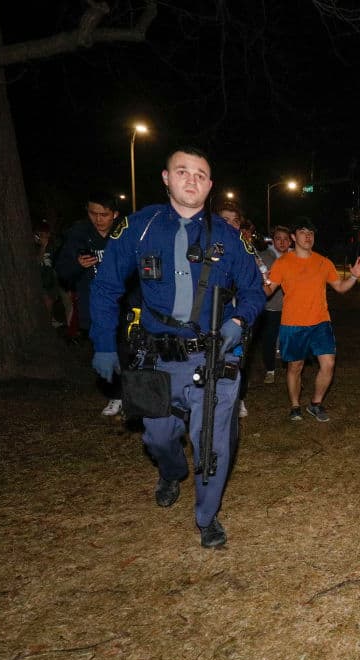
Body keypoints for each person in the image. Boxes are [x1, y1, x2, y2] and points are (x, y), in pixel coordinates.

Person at [89, 145, 265, 548]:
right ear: (166, 178)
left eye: (200, 174)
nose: (191, 180)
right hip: (157, 359)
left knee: (212, 442)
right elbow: (105, 287)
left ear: (210, 185)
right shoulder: (140, 227)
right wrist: (103, 343)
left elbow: (254, 290)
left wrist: (238, 321)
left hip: (214, 356)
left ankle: (207, 517)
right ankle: (170, 472)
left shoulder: (229, 237)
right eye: (182, 171)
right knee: (157, 437)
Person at [266, 217, 360, 422]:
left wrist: (354, 277)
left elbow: (340, 288)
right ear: (293, 237)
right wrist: (259, 282)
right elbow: (268, 291)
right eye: (303, 232)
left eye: (311, 233)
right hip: (293, 323)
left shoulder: (323, 262)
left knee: (329, 363)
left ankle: (315, 403)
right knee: (295, 367)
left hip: (320, 322)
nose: (308, 236)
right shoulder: (282, 263)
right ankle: (295, 405)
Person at [55, 192, 126, 416]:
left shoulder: (125, 234)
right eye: (93, 213)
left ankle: (133, 394)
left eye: (104, 214)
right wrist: (77, 264)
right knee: (104, 350)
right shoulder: (78, 235)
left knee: (127, 350)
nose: (98, 219)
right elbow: (62, 270)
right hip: (93, 306)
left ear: (115, 214)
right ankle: (115, 395)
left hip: (123, 305)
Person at [214, 198, 252, 418]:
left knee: (237, 358)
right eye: (224, 220)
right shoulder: (205, 249)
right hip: (208, 318)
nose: (229, 225)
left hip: (238, 317)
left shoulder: (245, 251)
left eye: (235, 221)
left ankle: (238, 399)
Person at [258, 226, 291, 385]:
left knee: (290, 338)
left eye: (285, 239)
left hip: (292, 307)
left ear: (290, 241)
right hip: (271, 306)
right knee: (269, 338)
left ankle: (293, 369)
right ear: (272, 240)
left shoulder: (295, 257)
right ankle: (270, 369)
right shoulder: (263, 257)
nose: (282, 242)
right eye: (278, 238)